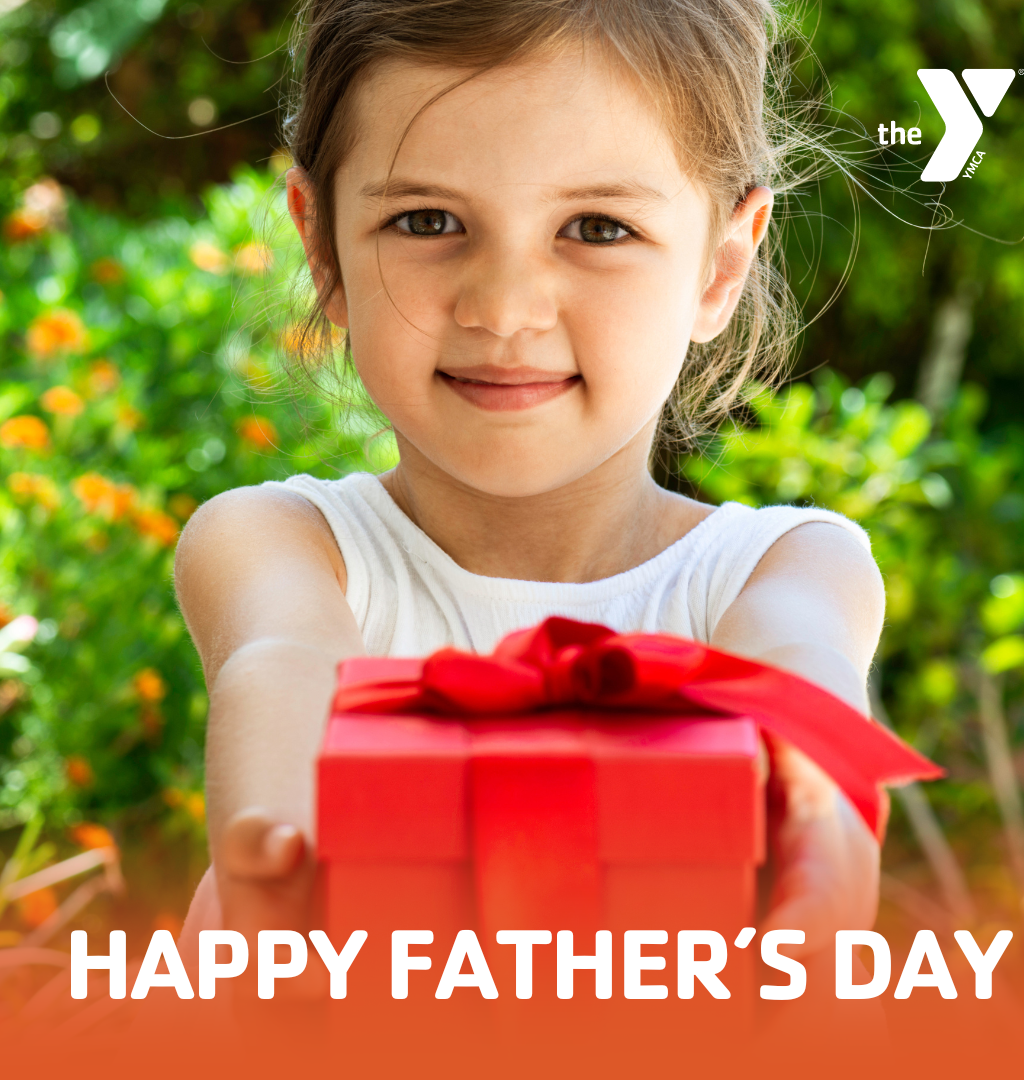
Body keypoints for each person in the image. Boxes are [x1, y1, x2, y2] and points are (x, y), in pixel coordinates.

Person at [175, 0, 883, 958]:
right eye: (427, 220)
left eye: (596, 227)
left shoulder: (779, 572)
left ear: (720, 266)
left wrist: (816, 863)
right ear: (324, 247)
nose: (505, 309)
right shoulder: (286, 546)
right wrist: (288, 862)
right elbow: (284, 665)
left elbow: (798, 689)